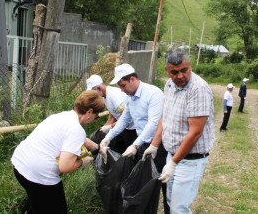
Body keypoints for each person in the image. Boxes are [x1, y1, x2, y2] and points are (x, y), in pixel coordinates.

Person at [142, 48, 214, 213]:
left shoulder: (198, 89)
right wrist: (154, 144)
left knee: (178, 209)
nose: (180, 76)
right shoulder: (169, 85)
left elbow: (195, 132)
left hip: (191, 159)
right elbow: (165, 116)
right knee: (169, 201)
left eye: (184, 70)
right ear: (167, 70)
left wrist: (173, 163)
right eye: (174, 72)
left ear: (190, 65)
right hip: (171, 155)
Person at [11, 90, 107, 213]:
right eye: (96, 116)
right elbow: (65, 167)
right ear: (89, 112)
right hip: (39, 175)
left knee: (36, 200)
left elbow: (81, 139)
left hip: (20, 164)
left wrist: (99, 148)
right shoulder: (76, 130)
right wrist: (82, 161)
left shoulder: (62, 116)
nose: (95, 119)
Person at [99, 63, 169, 213]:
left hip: (158, 144)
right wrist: (108, 137)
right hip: (143, 143)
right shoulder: (130, 97)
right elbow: (124, 119)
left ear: (132, 79)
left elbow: (154, 123)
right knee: (144, 181)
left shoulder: (153, 93)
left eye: (123, 86)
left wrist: (135, 145)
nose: (122, 90)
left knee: (162, 179)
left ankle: (169, 207)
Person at [86, 74, 136, 154]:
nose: (93, 96)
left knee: (127, 152)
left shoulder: (113, 95)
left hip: (132, 128)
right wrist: (105, 126)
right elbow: (113, 114)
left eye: (93, 93)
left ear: (99, 88)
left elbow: (128, 117)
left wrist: (110, 127)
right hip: (123, 127)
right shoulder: (104, 96)